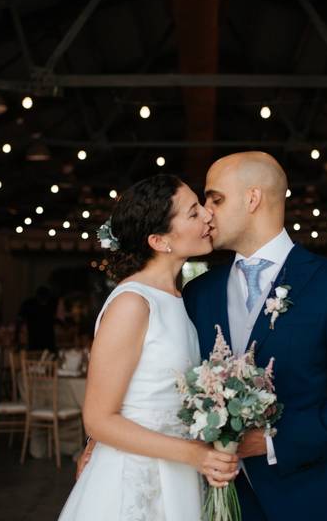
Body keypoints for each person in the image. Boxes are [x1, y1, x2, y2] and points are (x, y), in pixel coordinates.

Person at [183, 152, 327, 521]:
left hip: (304, 499)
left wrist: (271, 442)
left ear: (253, 198)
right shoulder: (199, 291)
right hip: (214, 498)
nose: (206, 212)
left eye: (215, 199)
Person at [58, 174, 238, 521]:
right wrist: (195, 456)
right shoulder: (132, 303)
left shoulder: (177, 298)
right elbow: (97, 418)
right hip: (137, 476)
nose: (208, 216)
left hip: (179, 471)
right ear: (159, 240)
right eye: (193, 213)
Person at [17, 286, 58, 352]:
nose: (44, 301)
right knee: (36, 357)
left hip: (44, 341)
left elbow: (20, 319)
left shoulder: (51, 304)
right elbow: (20, 319)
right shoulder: (29, 304)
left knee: (41, 357)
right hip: (37, 341)